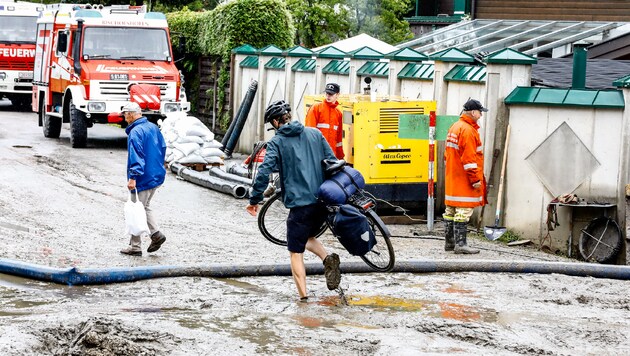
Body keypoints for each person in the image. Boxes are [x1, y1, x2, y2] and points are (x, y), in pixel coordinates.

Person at [246, 100, 341, 301]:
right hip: (323, 201)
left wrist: (254, 199)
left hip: (300, 206)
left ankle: (303, 299)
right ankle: (327, 259)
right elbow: (332, 162)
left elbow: (263, 172)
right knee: (305, 237)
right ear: (289, 116)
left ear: (275, 121)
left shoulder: (277, 142)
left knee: (295, 251)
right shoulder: (315, 133)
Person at [120, 102, 168, 256]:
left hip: (143, 176)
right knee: (144, 206)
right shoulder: (153, 127)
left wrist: (133, 177)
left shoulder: (135, 132)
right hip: (156, 174)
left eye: (125, 114)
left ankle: (136, 246)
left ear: (131, 114)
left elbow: (137, 156)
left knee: (137, 208)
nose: (124, 117)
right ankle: (155, 235)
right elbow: (163, 148)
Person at [443, 99, 488, 254]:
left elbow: (446, 154)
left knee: (450, 211)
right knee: (463, 211)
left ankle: (449, 243)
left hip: (452, 177)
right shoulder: (468, 131)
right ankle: (461, 245)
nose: (481, 115)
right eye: (480, 112)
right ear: (473, 112)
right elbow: (470, 160)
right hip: (464, 180)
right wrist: (475, 179)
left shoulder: (455, 127)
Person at [305, 83, 345, 159]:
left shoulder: (338, 114)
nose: (328, 96)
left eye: (331, 94)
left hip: (330, 155)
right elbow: (309, 133)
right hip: (317, 154)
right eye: (327, 93)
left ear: (337, 94)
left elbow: (339, 138)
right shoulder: (316, 108)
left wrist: (340, 157)